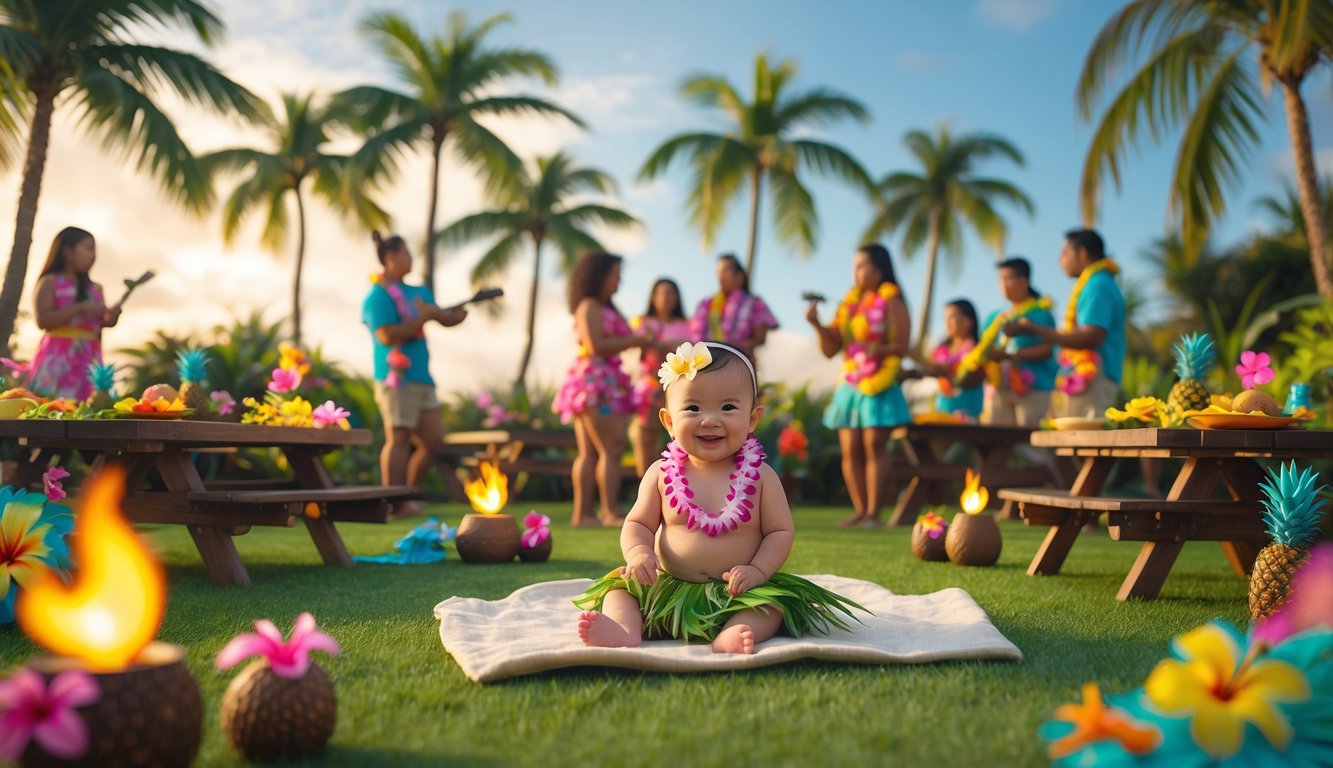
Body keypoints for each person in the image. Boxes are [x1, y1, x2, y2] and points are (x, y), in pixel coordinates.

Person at [573, 341, 863, 654]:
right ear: (669, 422)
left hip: (736, 592)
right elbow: (638, 522)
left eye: (727, 408)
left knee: (772, 605)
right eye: (693, 408)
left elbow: (780, 531)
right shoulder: (660, 472)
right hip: (668, 591)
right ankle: (626, 629)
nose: (710, 419)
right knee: (620, 589)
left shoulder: (762, 477)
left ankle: (736, 630)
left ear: (752, 420)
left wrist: (758, 571)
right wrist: (638, 553)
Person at [806, 244, 912, 528]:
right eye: (855, 266)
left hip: (880, 382)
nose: (857, 272)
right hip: (851, 383)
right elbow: (831, 349)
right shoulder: (849, 305)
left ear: (879, 269)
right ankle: (860, 509)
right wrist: (817, 325)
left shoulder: (892, 301)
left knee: (874, 446)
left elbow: (901, 346)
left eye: (863, 265)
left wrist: (875, 348)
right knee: (850, 448)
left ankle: (874, 514)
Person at [362, 231, 467, 508]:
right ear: (390, 258)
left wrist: (454, 318)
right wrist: (426, 316)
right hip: (395, 379)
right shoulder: (378, 295)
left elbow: (442, 316)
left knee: (433, 440)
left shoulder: (419, 292)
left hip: (422, 376)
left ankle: (408, 494)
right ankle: (392, 503)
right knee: (399, 439)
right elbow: (385, 335)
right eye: (406, 253)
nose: (411, 258)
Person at [552, 252, 645, 527]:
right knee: (612, 447)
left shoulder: (599, 306)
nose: (619, 280)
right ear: (599, 275)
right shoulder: (590, 305)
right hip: (597, 383)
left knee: (591, 452)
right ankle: (610, 512)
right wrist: (634, 340)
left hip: (593, 382)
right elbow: (595, 347)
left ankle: (583, 515)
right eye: (615, 274)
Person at [1006, 229, 1124, 419]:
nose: (1060, 261)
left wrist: (1034, 329)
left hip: (1091, 378)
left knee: (1081, 442)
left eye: (1065, 253)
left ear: (1082, 253)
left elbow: (1091, 336)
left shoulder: (1097, 284)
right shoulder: (1096, 282)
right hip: (1083, 378)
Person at [27, 227, 122, 400]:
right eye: (88, 248)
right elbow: (43, 321)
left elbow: (100, 323)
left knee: (87, 409)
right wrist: (80, 308)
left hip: (89, 360)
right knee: (51, 408)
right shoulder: (49, 282)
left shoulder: (95, 288)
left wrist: (112, 318)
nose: (93, 256)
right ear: (68, 252)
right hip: (57, 360)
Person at [962, 258, 1057, 426]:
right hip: (999, 389)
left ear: (1024, 280)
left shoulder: (1040, 313)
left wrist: (1010, 355)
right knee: (998, 441)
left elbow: (1048, 349)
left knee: (1032, 445)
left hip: (1033, 388)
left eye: (1008, 278)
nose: (1003, 284)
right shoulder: (995, 317)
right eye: (1000, 279)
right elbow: (983, 349)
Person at [629, 278, 694, 476]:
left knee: (678, 438)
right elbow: (639, 348)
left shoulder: (688, 324)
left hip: (679, 388)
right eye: (661, 293)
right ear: (653, 296)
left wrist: (662, 344)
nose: (666, 298)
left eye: (671, 293)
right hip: (649, 386)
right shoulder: (644, 322)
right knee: (646, 438)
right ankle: (644, 486)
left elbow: (693, 350)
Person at [688, 254, 778, 364]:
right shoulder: (706, 304)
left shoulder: (754, 303)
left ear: (740, 276)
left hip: (740, 363)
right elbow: (696, 336)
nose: (721, 276)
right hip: (707, 364)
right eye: (718, 272)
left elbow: (760, 339)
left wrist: (732, 350)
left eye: (726, 271)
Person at [916, 299, 984, 420]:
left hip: (969, 410)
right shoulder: (941, 348)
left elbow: (975, 375)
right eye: (945, 317)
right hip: (943, 408)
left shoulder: (977, 349)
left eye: (952, 317)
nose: (947, 322)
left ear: (969, 321)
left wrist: (949, 371)